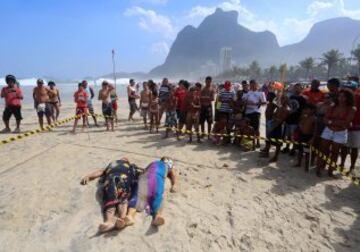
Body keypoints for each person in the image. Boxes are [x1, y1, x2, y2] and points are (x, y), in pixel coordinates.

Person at [80, 158, 142, 232]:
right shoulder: (112, 164)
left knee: (123, 199)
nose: (124, 158)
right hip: (111, 180)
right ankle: (109, 222)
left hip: (124, 181)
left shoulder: (131, 166)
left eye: (125, 159)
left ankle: (122, 219)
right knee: (110, 198)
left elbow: (142, 173)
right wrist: (89, 176)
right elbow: (101, 171)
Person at [316, 89, 356, 177]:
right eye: (339, 96)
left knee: (335, 153)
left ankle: (330, 171)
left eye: (343, 97)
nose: (340, 98)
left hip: (340, 132)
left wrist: (331, 121)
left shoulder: (351, 109)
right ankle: (319, 168)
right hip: (330, 130)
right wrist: (337, 122)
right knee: (323, 149)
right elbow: (325, 119)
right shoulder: (332, 106)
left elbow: (346, 123)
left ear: (347, 98)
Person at [136, 157, 177, 227]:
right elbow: (173, 175)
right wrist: (174, 185)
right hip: (157, 178)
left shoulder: (154, 162)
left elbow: (144, 171)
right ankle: (157, 216)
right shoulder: (168, 165)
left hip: (147, 176)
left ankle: (130, 214)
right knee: (158, 196)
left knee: (140, 196)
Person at [260, 94, 290, 162]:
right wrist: (275, 118)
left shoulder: (286, 109)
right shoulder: (280, 107)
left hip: (280, 127)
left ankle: (275, 157)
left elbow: (281, 119)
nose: (282, 100)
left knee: (278, 143)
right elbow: (274, 115)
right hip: (274, 125)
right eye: (282, 98)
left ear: (287, 100)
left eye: (284, 99)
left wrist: (275, 119)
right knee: (269, 139)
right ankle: (266, 153)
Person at [340, 85, 360, 176]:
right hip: (345, 126)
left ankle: (351, 167)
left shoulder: (358, 97)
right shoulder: (344, 98)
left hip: (357, 127)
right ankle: (342, 164)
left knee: (354, 148)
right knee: (344, 146)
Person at [282, 83, 306, 155]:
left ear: (301, 89)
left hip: (296, 120)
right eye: (295, 88)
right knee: (288, 135)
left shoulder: (303, 99)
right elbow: (287, 106)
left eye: (298, 88)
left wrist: (300, 120)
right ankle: (287, 147)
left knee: (294, 136)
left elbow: (303, 110)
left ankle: (293, 149)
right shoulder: (291, 97)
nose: (296, 89)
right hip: (288, 119)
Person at [243, 80, 267, 148]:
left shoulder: (261, 93)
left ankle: (258, 142)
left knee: (256, 128)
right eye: (251, 85)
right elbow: (243, 102)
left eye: (254, 84)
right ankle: (250, 143)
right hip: (248, 112)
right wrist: (247, 103)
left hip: (256, 112)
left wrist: (257, 103)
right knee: (248, 128)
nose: (252, 86)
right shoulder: (247, 93)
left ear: (257, 85)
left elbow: (265, 103)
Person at [294, 103, 317, 171]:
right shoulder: (304, 116)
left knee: (307, 152)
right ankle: (299, 163)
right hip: (302, 135)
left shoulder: (314, 119)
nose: (306, 111)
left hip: (308, 136)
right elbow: (300, 123)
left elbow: (315, 130)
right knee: (300, 150)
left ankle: (307, 166)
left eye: (308, 110)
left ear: (313, 110)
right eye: (306, 109)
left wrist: (312, 139)